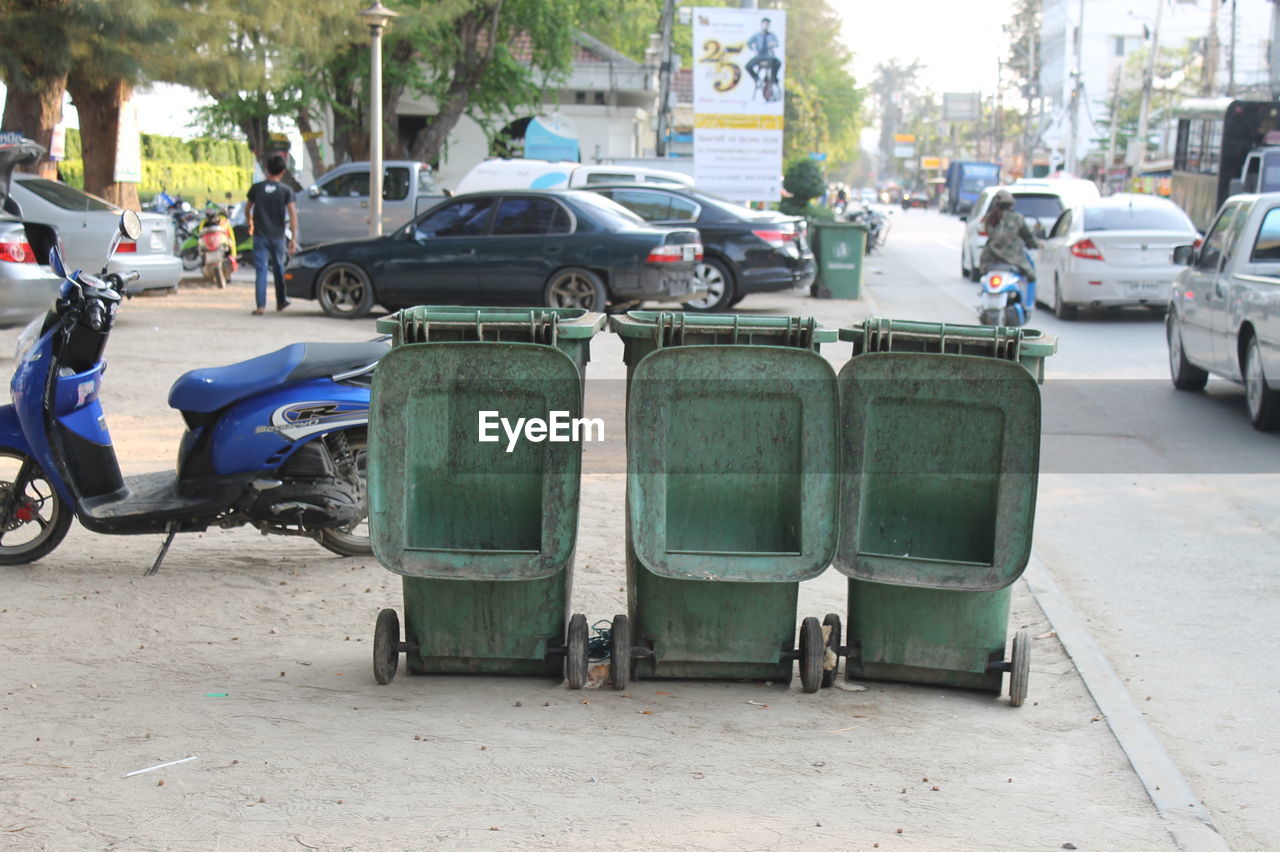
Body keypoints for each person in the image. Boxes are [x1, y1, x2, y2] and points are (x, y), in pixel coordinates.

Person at [245, 154, 298, 315]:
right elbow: (293, 213)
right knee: (279, 268)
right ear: (282, 171)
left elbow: (248, 208)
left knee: (260, 270)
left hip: (260, 235)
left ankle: (260, 306)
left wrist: (250, 223)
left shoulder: (257, 188)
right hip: (278, 236)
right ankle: (281, 301)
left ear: (267, 168)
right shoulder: (286, 190)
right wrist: (294, 237)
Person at [978, 189, 1038, 280]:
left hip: (990, 260)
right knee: (1032, 276)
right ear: (1011, 204)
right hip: (1015, 260)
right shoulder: (1017, 218)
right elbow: (1028, 238)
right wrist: (1036, 245)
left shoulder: (989, 218)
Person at [745, 17, 781, 94]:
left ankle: (774, 80)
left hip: (769, 56)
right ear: (761, 25)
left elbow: (777, 43)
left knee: (778, 62)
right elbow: (748, 43)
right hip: (759, 56)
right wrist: (754, 49)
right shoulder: (757, 35)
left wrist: (773, 44)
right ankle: (757, 79)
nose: (765, 26)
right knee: (748, 66)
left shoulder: (772, 35)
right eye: (764, 24)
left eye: (767, 25)